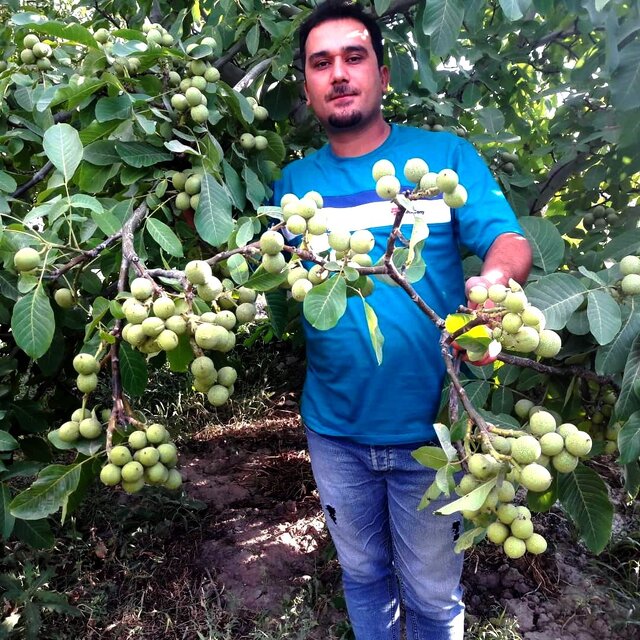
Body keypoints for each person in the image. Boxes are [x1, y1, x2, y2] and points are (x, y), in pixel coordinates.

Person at [271, 1, 533, 638]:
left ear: (383, 75)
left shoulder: (441, 160)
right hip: (336, 431)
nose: (338, 73)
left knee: (432, 594)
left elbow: (509, 240)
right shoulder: (293, 184)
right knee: (362, 576)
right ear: (306, 85)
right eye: (321, 62)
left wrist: (490, 289)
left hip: (434, 433)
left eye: (353, 57)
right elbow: (288, 284)